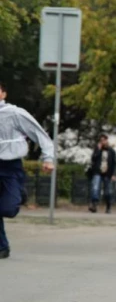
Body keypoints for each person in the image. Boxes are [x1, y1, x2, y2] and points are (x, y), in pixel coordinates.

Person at [0, 81, 55, 259]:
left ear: (3, 94)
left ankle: (20, 194)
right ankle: (2, 247)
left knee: (8, 209)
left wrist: (48, 158)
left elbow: (40, 134)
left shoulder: (14, 113)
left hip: (10, 166)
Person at [88, 134, 116, 213]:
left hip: (107, 174)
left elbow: (115, 163)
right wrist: (98, 150)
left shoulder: (111, 151)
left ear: (106, 140)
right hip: (97, 172)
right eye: (101, 140)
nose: (103, 142)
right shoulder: (97, 149)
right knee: (95, 188)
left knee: (108, 191)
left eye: (104, 140)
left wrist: (114, 174)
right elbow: (93, 159)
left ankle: (108, 207)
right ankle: (94, 205)